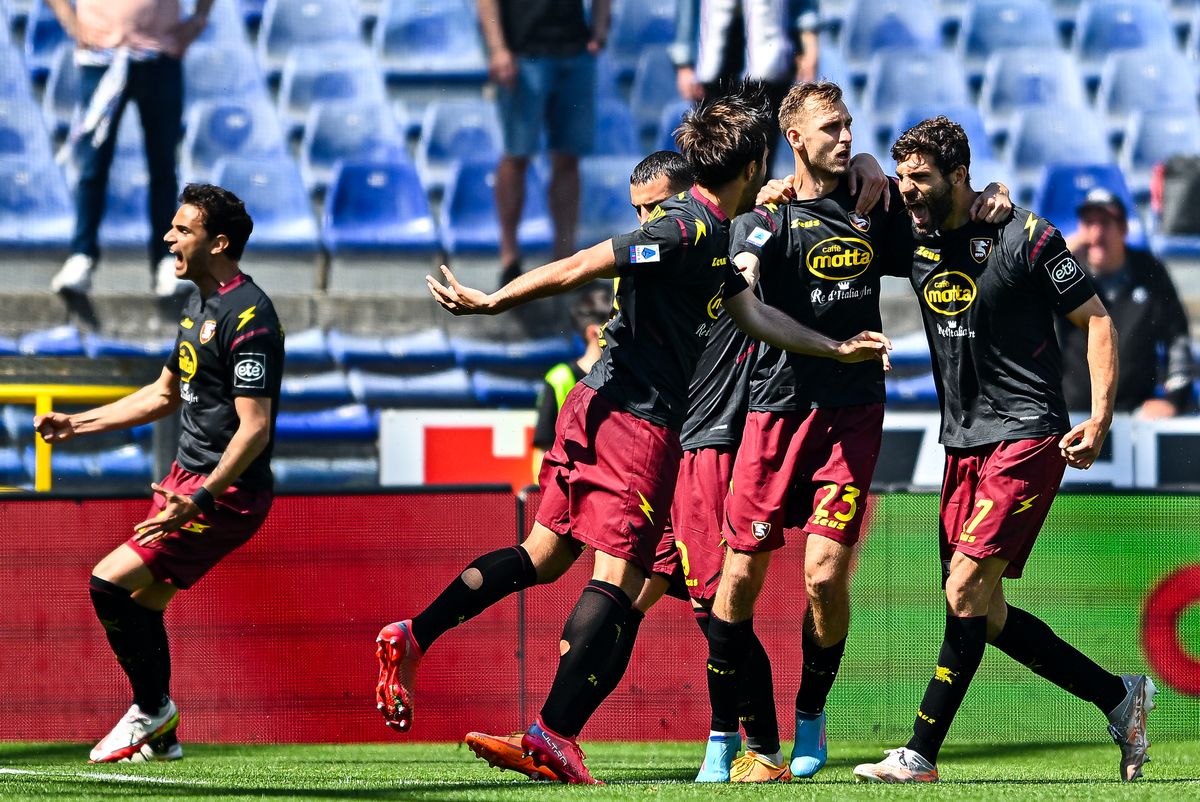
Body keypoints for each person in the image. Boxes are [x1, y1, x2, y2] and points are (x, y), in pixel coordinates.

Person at [376, 84, 893, 785]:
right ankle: (553, 735)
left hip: (600, 408)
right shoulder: (685, 229)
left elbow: (752, 315)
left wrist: (832, 348)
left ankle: (417, 632)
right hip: (639, 421)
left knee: (545, 557)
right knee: (620, 578)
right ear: (749, 168)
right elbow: (587, 262)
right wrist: (496, 299)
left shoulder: (716, 238)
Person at [704, 82, 1012, 784]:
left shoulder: (875, 207)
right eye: (831, 127)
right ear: (796, 138)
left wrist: (993, 197)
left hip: (850, 417)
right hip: (773, 413)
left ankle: (811, 715)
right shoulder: (766, 217)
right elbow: (741, 292)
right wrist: (826, 343)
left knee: (822, 577)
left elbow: (951, 227)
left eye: (850, 126)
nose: (845, 137)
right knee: (739, 581)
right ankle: (732, 737)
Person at [853, 117, 1154, 784]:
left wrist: (1099, 418)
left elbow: (1096, 317)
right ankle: (1119, 697)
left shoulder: (1029, 235)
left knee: (964, 588)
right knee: (982, 613)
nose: (909, 191)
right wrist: (877, 165)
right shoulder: (915, 231)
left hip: (1026, 432)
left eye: (922, 179)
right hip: (961, 439)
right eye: (903, 179)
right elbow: (858, 175)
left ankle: (919, 753)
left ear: (959, 175)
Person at [34, 184, 283, 763]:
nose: (168, 237)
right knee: (140, 604)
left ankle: (152, 710)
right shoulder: (198, 305)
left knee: (108, 582)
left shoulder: (251, 316)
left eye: (182, 230)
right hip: (185, 482)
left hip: (225, 493)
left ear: (218, 243)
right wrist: (80, 423)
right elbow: (165, 393)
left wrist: (203, 498)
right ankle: (163, 733)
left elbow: (254, 429)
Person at [47, 0, 213, 299]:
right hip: (101, 57)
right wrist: (68, 18)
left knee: (163, 168)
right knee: (93, 165)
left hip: (159, 57)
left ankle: (166, 260)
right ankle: (81, 255)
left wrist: (199, 18)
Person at [477, 0, 611, 285]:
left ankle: (565, 259)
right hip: (522, 55)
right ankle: (510, 258)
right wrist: (498, 49)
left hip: (574, 51)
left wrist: (599, 30)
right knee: (517, 155)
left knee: (568, 158)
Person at [1060, 188, 1194, 418]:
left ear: (1123, 229)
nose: (1096, 233)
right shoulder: (1064, 271)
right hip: (1074, 415)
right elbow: (1020, 305)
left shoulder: (1149, 271)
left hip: (1136, 416)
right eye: (1089, 223)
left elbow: (1177, 337)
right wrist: (1056, 254)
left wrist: (1173, 399)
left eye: (1104, 223)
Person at [671, 0, 821, 113]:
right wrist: (684, 64)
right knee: (714, 142)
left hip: (770, 57)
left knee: (762, 142)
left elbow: (805, 6)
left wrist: (809, 45)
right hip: (712, 57)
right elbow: (687, 7)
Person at [530, 285, 613, 482]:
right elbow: (543, 448)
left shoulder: (625, 377)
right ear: (595, 333)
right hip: (570, 491)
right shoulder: (560, 378)